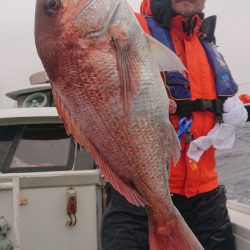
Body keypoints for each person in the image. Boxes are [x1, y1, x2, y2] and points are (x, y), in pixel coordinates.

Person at [101, 0, 240, 249]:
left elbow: (217, 98)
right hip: (137, 199)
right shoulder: (130, 25)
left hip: (207, 200)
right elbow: (80, 51)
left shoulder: (205, 41)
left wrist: (241, 107)